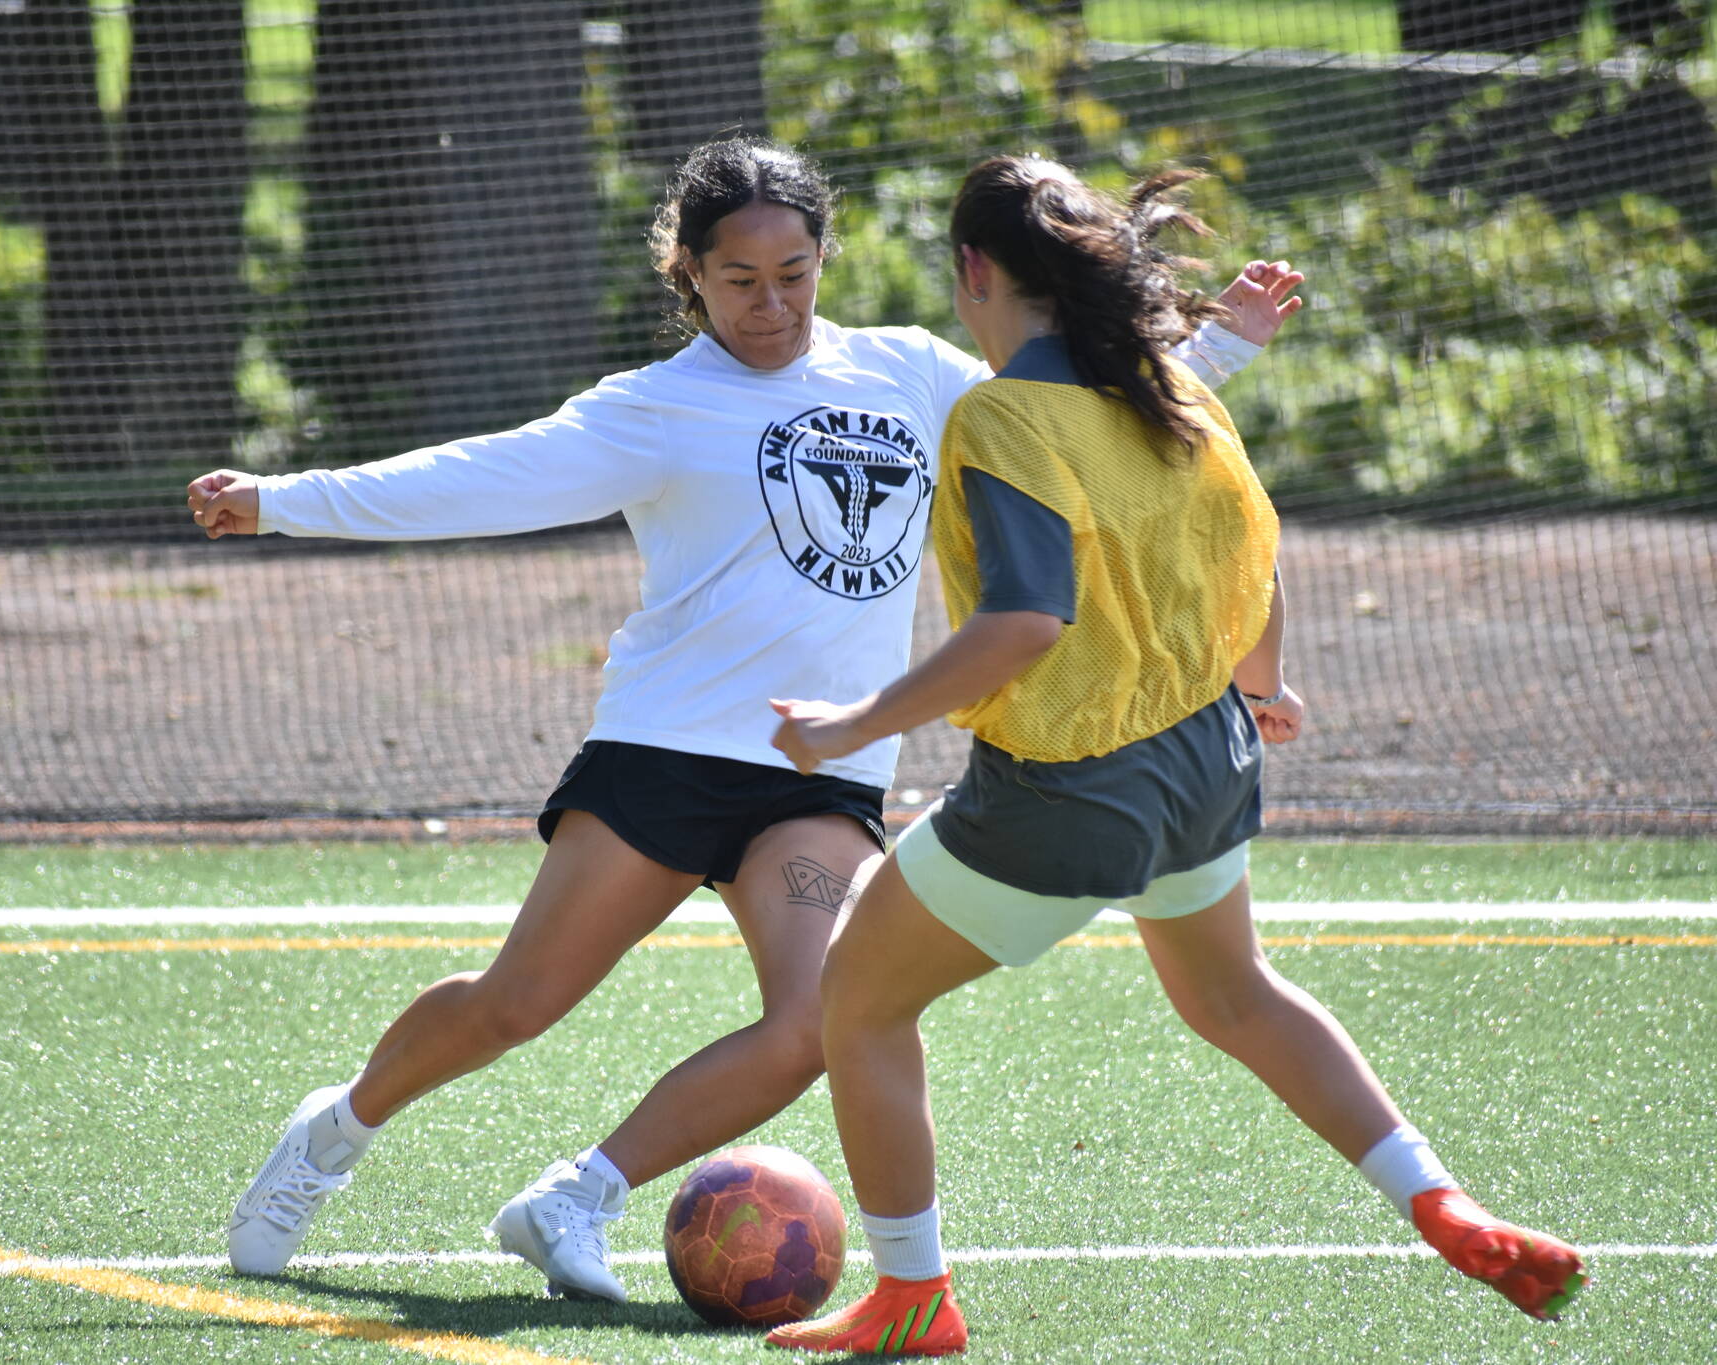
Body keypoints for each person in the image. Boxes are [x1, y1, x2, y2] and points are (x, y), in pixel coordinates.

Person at [186, 134, 1296, 1301]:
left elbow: (1088, 427)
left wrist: (1221, 347)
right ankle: (335, 1132)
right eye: (739, 280)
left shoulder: (913, 374)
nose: (770, 304)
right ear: (688, 274)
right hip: (665, 754)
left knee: (820, 1018)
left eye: (794, 272)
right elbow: (477, 477)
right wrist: (278, 504)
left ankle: (575, 1196)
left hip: (823, 769)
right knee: (515, 1005)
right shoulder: (653, 410)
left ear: (824, 258)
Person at [763, 154, 1586, 1356]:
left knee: (856, 1001)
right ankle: (1435, 1197)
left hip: (1068, 796)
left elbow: (1022, 623)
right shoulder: (1166, 394)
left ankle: (911, 1298)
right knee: (1233, 994)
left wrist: (848, 727)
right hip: (1210, 763)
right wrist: (1262, 685)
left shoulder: (1000, 415)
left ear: (974, 271)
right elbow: (1248, 558)